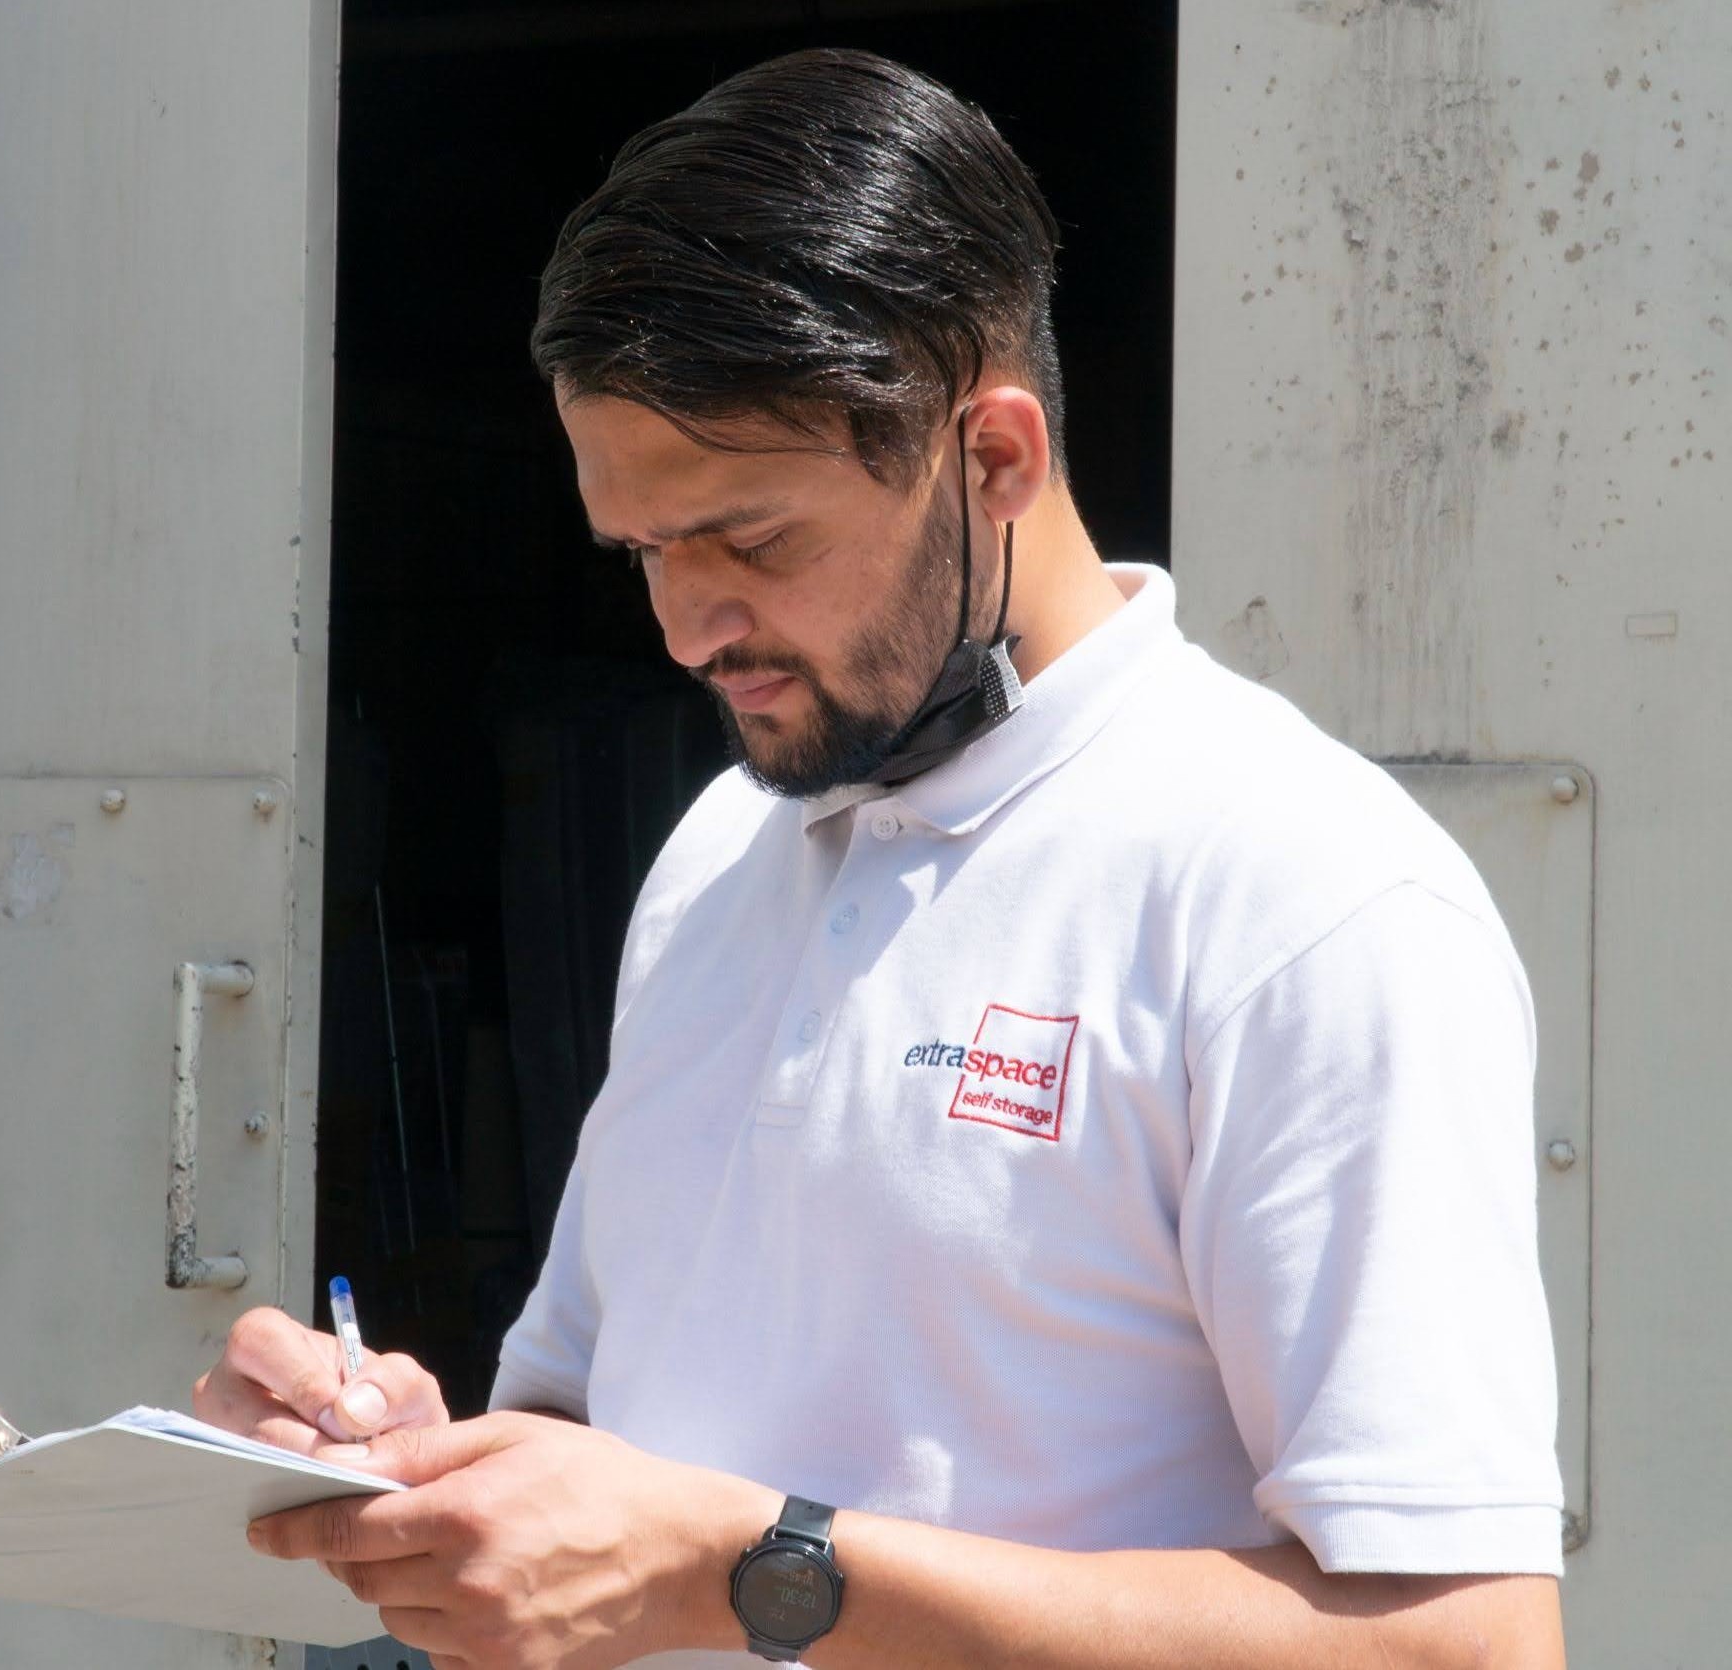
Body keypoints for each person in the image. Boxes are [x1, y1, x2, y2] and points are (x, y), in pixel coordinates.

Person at [196, 48, 1567, 1668]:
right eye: (641, 550)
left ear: (995, 456)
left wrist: (754, 1569)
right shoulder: (722, 850)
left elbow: (1464, 1643)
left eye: (753, 540)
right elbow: (594, 1433)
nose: (687, 627)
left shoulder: (1302, 894)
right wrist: (401, 1455)